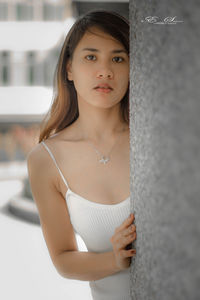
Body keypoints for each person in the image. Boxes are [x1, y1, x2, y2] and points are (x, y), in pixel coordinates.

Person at [27, 9, 137, 300]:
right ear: (69, 69)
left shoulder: (154, 141)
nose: (105, 71)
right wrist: (112, 260)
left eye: (118, 58)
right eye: (91, 57)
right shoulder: (45, 159)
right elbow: (64, 259)